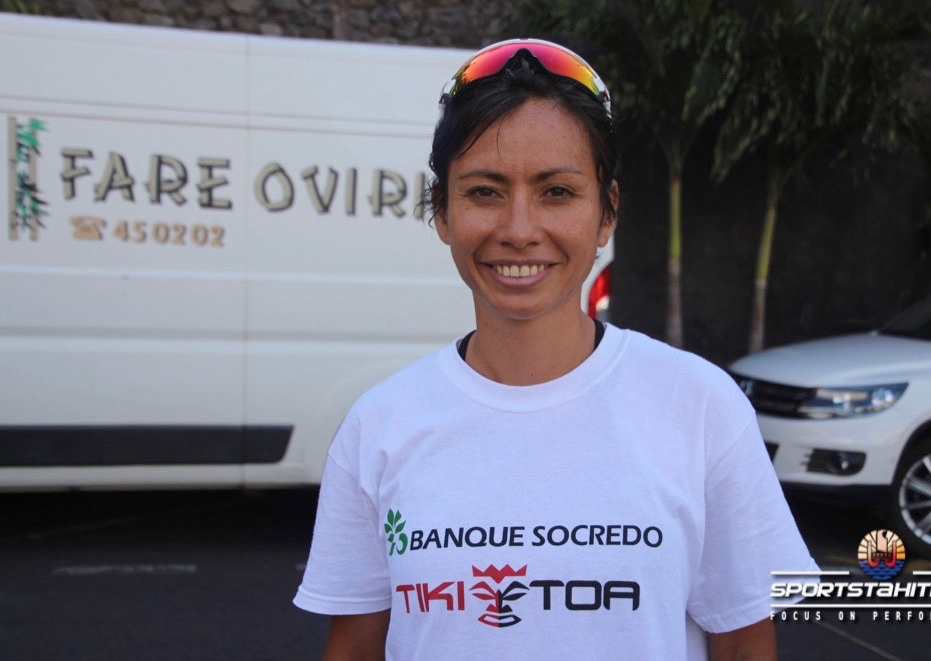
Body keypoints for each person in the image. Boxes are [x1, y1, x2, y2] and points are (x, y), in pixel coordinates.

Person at [294, 38, 817, 660]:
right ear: (442, 212)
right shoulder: (378, 427)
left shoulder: (700, 407)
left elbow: (743, 645)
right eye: (485, 192)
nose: (519, 230)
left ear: (607, 213)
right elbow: (355, 649)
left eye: (557, 192)